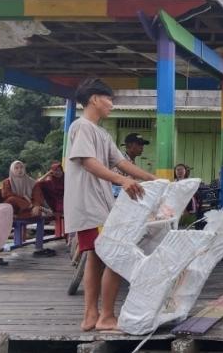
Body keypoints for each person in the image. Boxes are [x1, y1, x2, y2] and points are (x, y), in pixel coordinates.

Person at [64, 78, 157, 332]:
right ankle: (105, 316)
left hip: (99, 205)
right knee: (117, 255)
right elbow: (87, 161)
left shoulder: (101, 132)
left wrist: (154, 179)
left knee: (96, 257)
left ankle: (91, 317)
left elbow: (121, 162)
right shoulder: (81, 126)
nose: (111, 105)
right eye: (109, 99)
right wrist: (122, 181)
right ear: (94, 98)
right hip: (89, 204)